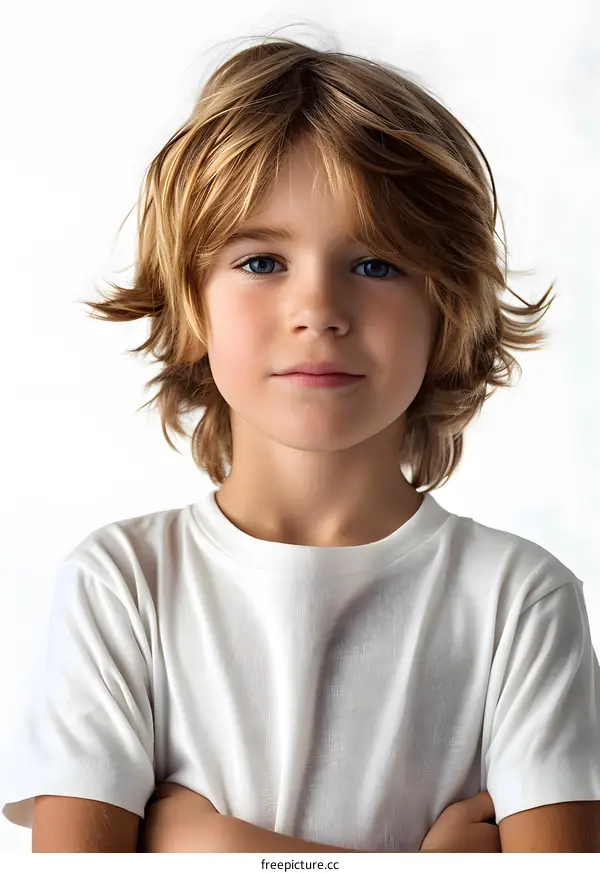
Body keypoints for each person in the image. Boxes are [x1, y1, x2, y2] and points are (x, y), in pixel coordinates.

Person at [2, 29, 600, 853]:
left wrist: (215, 848)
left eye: (378, 263)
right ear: (190, 301)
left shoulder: (520, 601)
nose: (318, 308)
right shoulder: (121, 587)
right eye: (260, 262)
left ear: (448, 307)